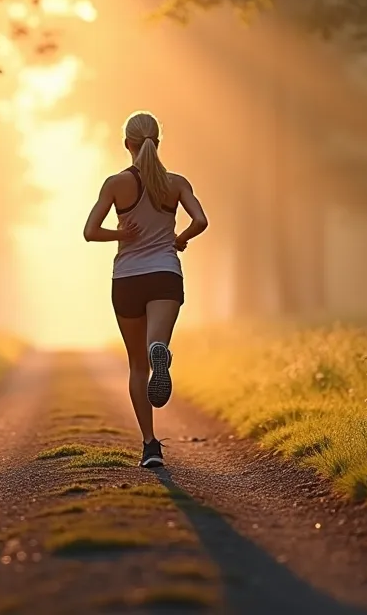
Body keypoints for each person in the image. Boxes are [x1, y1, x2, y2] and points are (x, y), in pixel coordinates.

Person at [83, 111, 209, 468]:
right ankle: (162, 352)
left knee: (137, 365)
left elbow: (90, 231)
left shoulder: (115, 184)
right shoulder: (176, 182)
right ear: (158, 142)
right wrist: (180, 238)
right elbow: (200, 220)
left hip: (127, 279)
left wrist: (121, 234)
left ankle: (150, 445)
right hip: (165, 274)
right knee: (157, 343)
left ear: (127, 144)